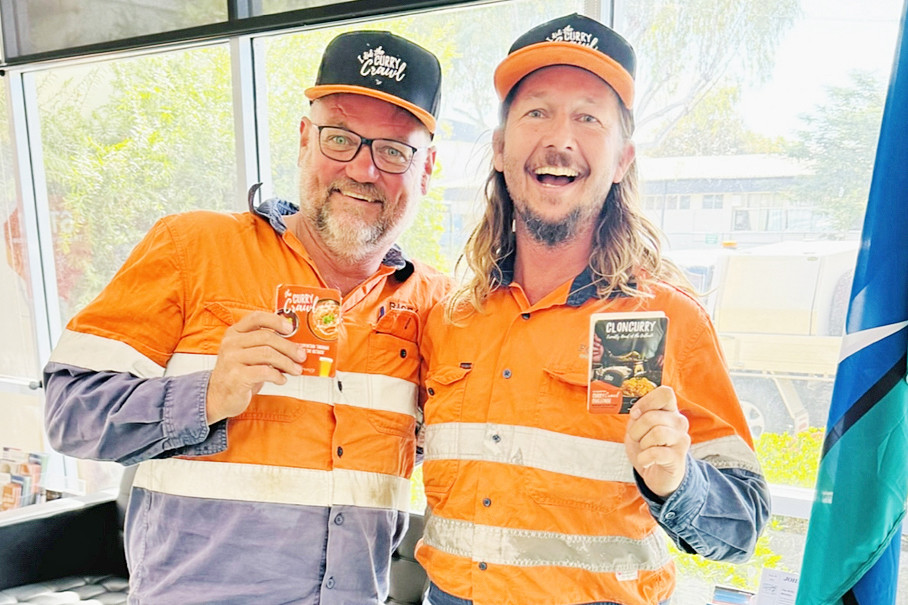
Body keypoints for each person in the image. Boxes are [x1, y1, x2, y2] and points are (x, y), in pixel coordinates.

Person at [43, 30, 449, 604]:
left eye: (393, 150)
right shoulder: (192, 247)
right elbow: (69, 412)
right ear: (305, 139)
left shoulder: (437, 305)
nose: (363, 169)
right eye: (340, 139)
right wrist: (206, 394)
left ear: (426, 168)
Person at [417, 13, 770, 605]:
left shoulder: (670, 320)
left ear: (622, 160)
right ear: (501, 151)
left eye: (588, 117)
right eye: (537, 112)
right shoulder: (450, 321)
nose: (560, 137)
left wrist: (676, 481)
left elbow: (742, 529)